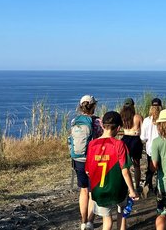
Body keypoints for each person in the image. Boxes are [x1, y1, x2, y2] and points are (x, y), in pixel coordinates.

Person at [85, 111, 139, 230]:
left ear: (103, 126)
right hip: (118, 189)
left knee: (107, 220)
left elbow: (88, 171)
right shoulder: (119, 144)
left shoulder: (92, 144)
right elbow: (125, 170)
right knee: (122, 213)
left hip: (100, 189)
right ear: (118, 127)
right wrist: (132, 190)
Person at [71, 95, 103, 230]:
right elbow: (101, 138)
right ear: (94, 106)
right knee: (92, 191)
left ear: (80, 106)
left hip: (77, 159)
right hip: (92, 160)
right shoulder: (97, 122)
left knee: (83, 190)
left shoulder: (74, 121)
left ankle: (83, 221)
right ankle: (90, 221)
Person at [140, 98, 163, 197]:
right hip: (162, 147)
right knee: (161, 169)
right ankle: (160, 188)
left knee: (151, 168)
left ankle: (148, 185)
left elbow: (143, 137)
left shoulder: (146, 120)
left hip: (150, 148)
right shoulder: (163, 120)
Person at [120, 98, 144, 190]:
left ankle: (125, 184)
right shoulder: (137, 117)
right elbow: (143, 130)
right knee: (136, 164)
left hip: (125, 139)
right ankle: (137, 185)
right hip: (135, 140)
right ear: (133, 106)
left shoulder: (122, 116)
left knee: (124, 163)